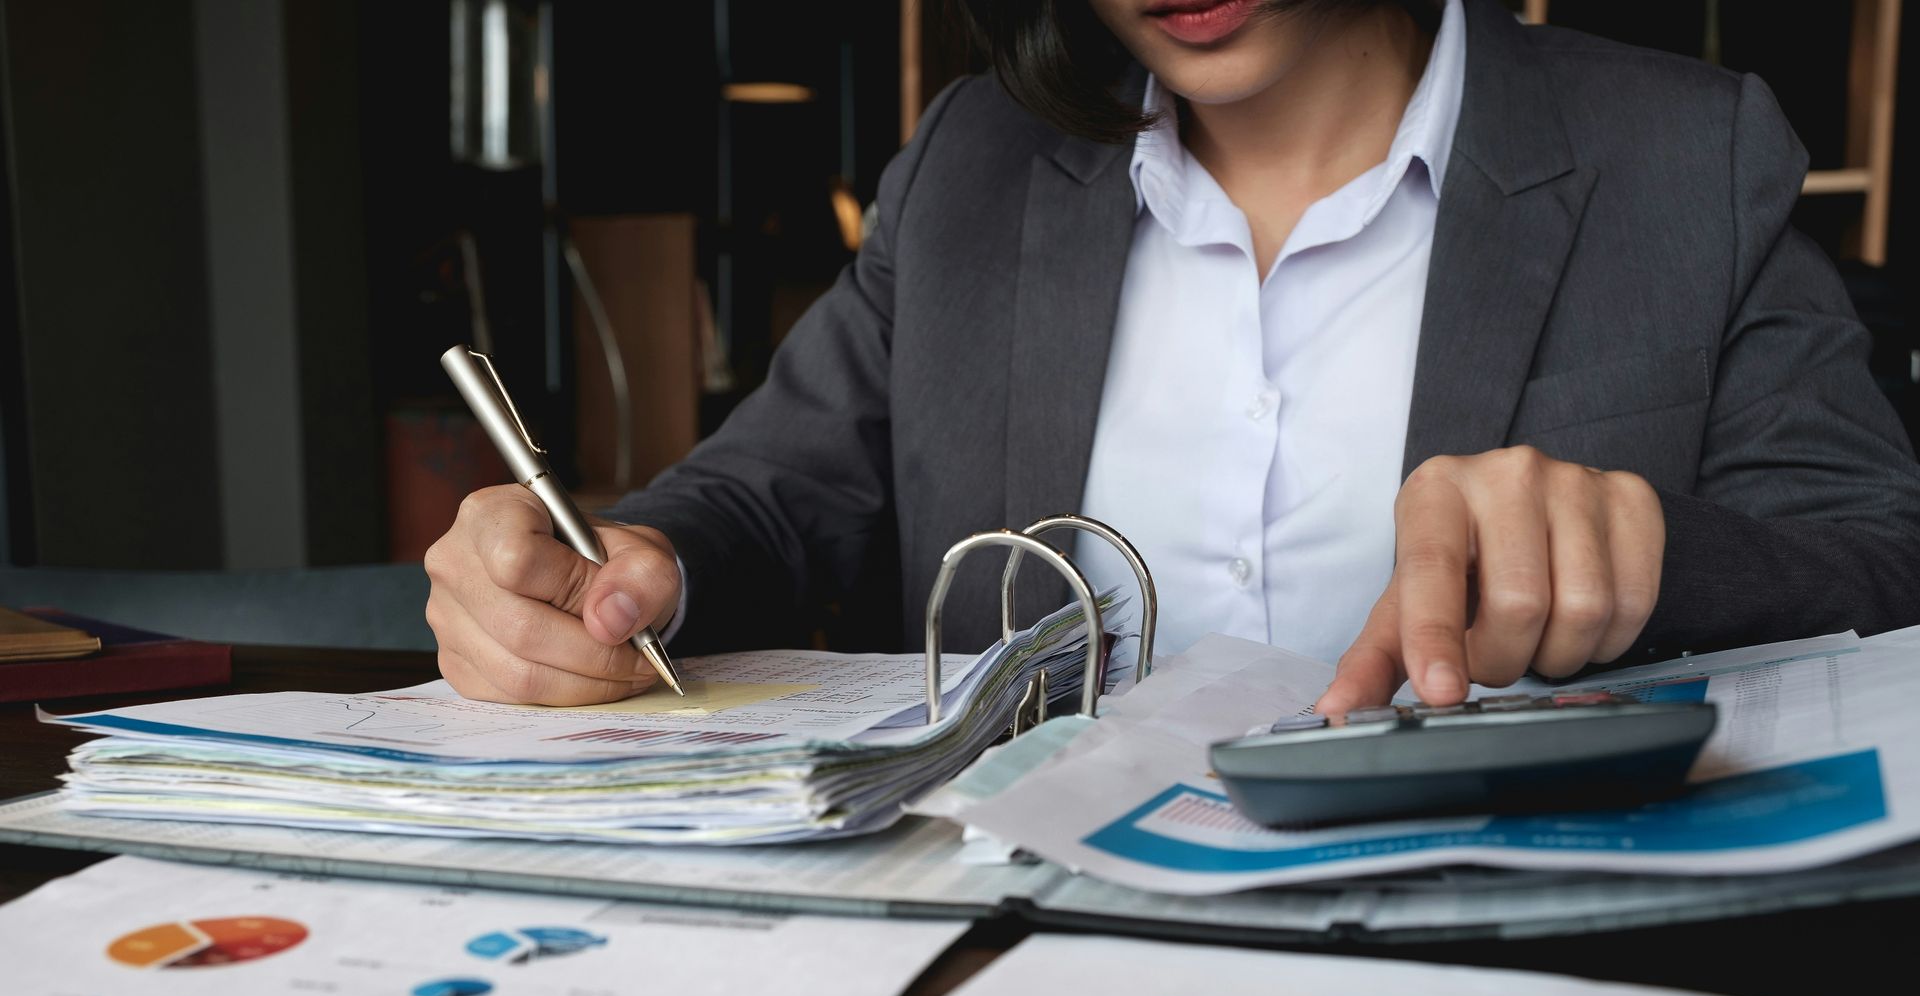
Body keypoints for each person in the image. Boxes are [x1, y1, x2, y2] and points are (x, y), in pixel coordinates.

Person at [424, 0, 1920, 716]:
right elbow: (764, 496)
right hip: (1019, 991)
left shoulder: (1680, 154)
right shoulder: (972, 169)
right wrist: (619, 570)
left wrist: (1652, 552)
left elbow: (1875, 564)